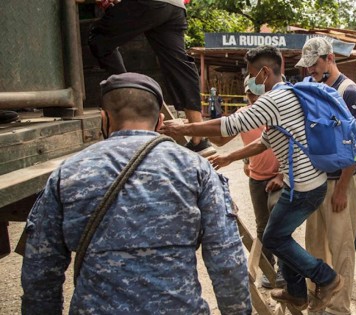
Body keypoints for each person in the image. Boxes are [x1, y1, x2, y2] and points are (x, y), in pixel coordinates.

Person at [21, 73, 251, 314]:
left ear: (103, 117)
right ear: (161, 121)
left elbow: (40, 271)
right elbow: (226, 260)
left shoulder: (68, 172)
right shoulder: (196, 169)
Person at [159, 45, 344, 312]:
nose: (251, 81)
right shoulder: (287, 94)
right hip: (308, 183)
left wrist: (186, 126)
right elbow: (264, 141)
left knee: (273, 239)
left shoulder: (272, 100)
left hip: (302, 188)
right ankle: (297, 294)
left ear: (265, 73)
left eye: (252, 75)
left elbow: (228, 125)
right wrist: (230, 158)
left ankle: (327, 278)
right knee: (281, 236)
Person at [87, 0, 216, 157]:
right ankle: (200, 139)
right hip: (175, 7)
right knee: (179, 65)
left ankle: (127, 88)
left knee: (99, 39)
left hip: (149, 4)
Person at [295, 37, 356, 315]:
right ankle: (318, 299)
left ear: (330, 58)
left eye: (314, 64)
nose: (310, 69)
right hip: (317, 181)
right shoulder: (314, 88)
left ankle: (339, 309)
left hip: (341, 182)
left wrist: (343, 187)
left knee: (341, 247)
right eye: (307, 65)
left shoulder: (349, 92)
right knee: (314, 245)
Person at [207, 76, 285, 288]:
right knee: (262, 226)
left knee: (279, 223)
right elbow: (222, 139)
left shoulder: (278, 111)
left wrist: (282, 176)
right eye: (249, 93)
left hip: (280, 176)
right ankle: (268, 268)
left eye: (255, 93)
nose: (252, 97)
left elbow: (295, 145)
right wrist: (196, 131)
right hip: (257, 178)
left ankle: (285, 271)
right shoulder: (243, 115)